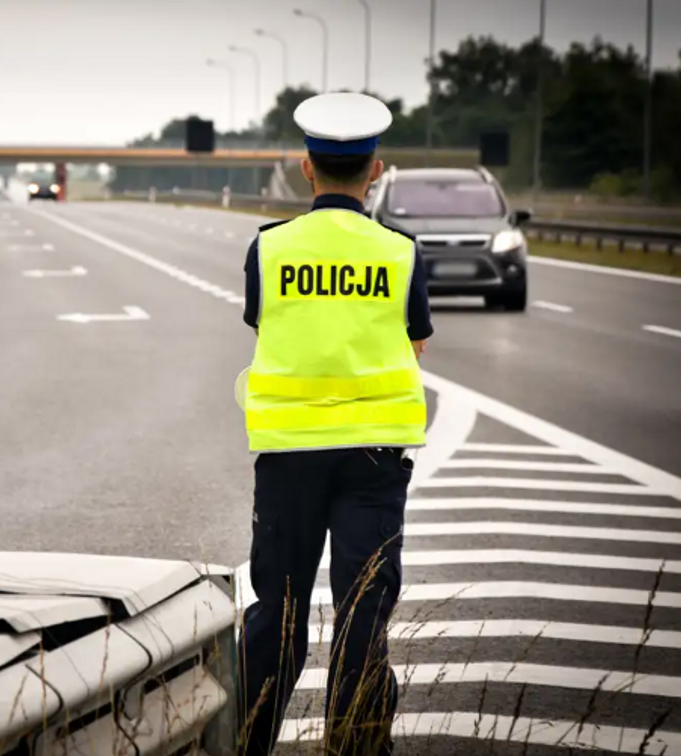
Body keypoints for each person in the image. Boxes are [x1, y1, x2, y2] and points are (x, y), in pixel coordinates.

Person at [236, 91, 433, 756]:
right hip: (374, 460)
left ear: (305, 168)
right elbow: (415, 342)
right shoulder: (401, 253)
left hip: (289, 454)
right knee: (362, 617)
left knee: (279, 616)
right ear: (375, 170)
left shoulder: (270, 248)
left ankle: (246, 740)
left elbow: (269, 324)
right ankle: (356, 747)